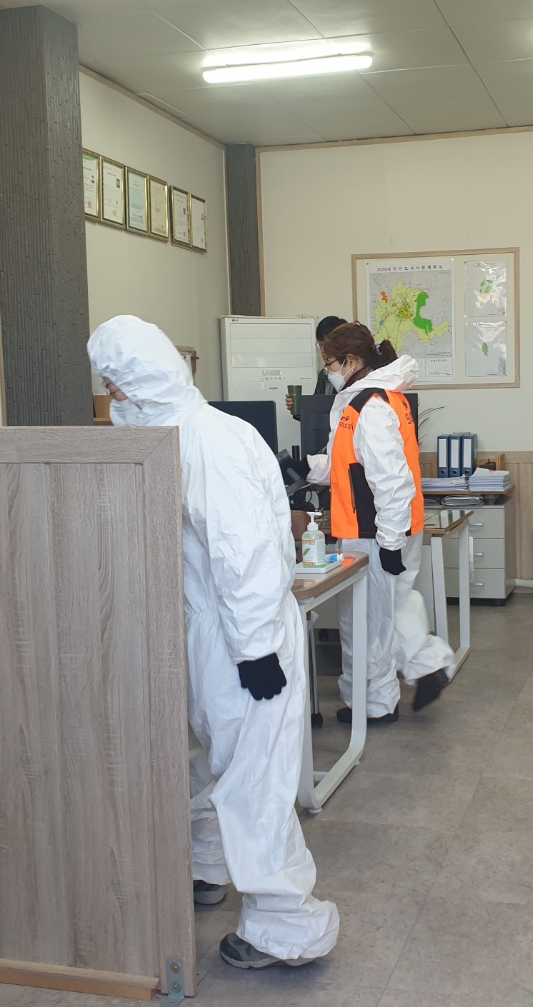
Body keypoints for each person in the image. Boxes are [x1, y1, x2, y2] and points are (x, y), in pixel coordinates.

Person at [87, 315, 339, 971]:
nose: (112, 400)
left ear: (143, 379)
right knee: (211, 760)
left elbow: (243, 554)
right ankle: (207, 865)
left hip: (241, 640)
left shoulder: (208, 441)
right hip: (210, 635)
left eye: (115, 386)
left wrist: (255, 651)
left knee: (254, 778)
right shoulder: (181, 435)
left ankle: (284, 926)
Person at [306, 322, 453, 723]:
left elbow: (390, 480)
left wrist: (388, 543)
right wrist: (309, 468)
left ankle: (373, 705)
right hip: (391, 524)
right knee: (394, 605)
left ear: (351, 361)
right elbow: (350, 461)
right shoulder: (378, 397)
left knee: (367, 621)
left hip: (374, 529)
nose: (328, 372)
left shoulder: (368, 406)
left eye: (330, 364)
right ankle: (425, 667)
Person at [285, 315, 348, 420]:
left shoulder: (351, 373)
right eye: (320, 345)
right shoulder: (323, 374)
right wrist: (298, 408)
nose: (323, 351)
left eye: (326, 345)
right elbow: (317, 411)